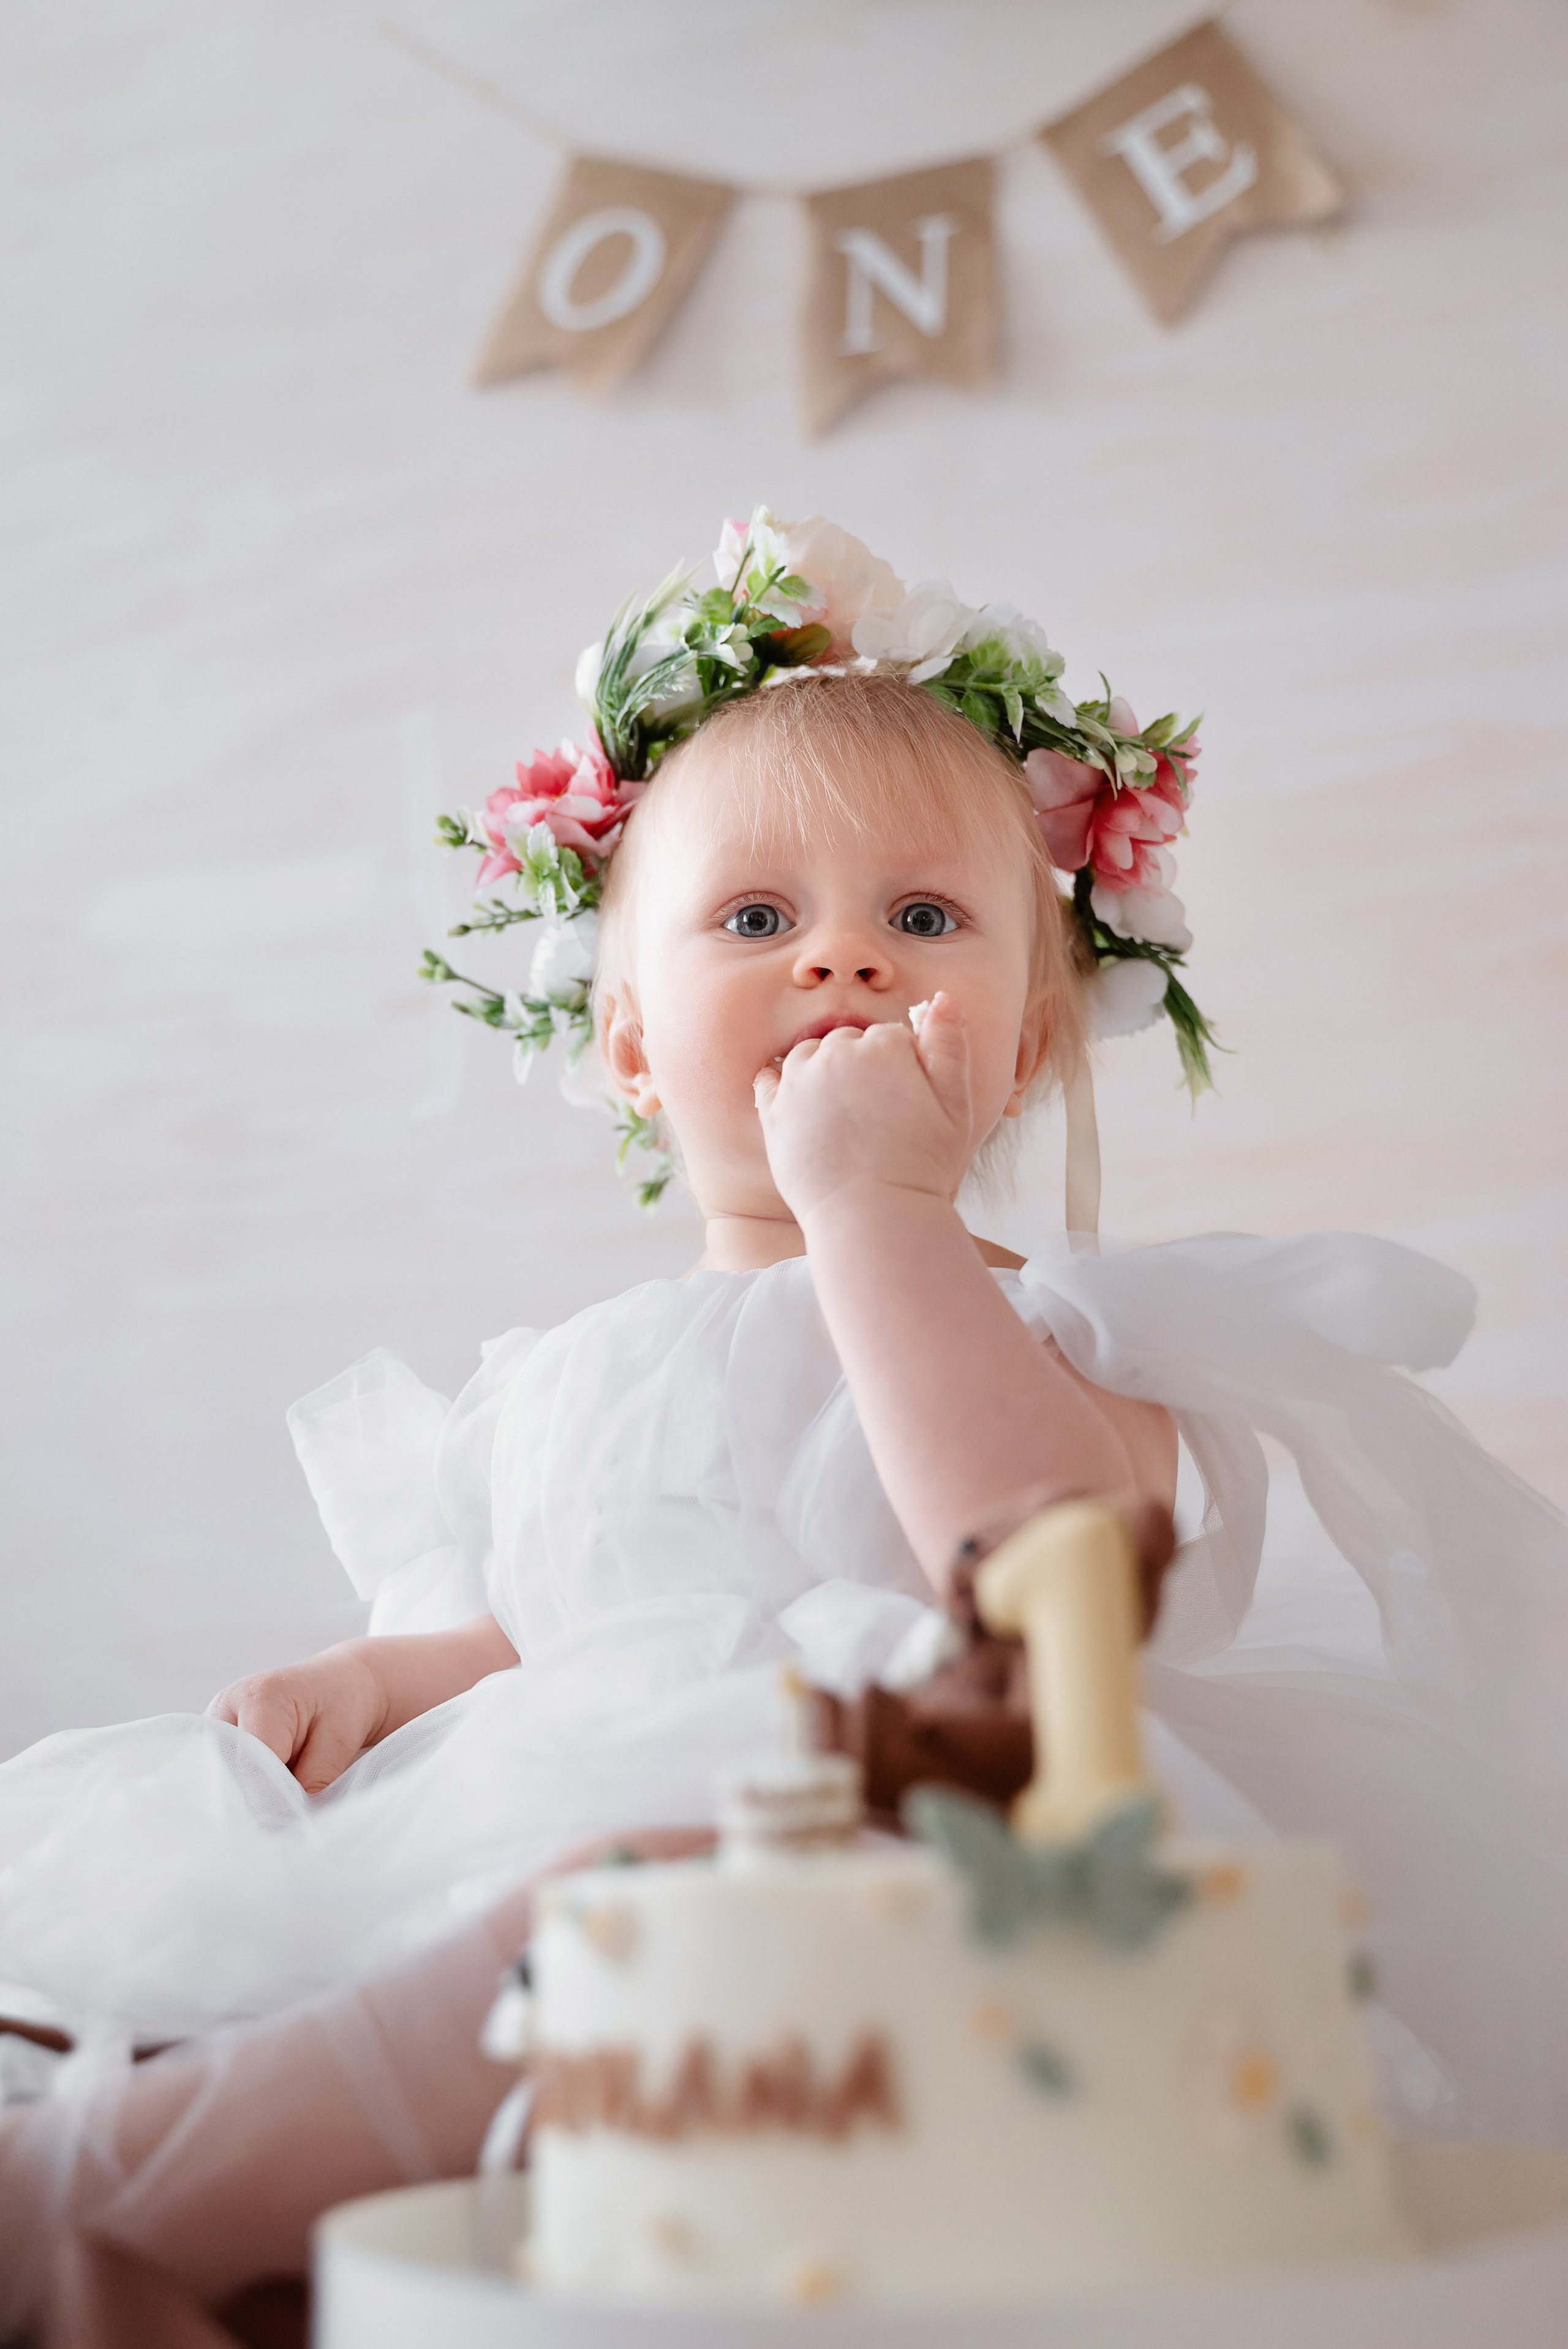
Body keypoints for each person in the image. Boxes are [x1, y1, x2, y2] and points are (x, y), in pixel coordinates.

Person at [2, 511, 1566, 2338]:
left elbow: (1048, 1570)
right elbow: (569, 1612)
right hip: (547, 1836)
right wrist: (385, 1680)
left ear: (1032, 1038)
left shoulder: (1079, 1332)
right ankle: (169, 2220)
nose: (844, 963)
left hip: (893, 1856)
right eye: (757, 919)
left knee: (619, 1932)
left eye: (923, 919)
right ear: (636, 1047)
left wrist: (881, 1216)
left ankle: (92, 2204)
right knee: (287, 1959)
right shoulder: (559, 1368)